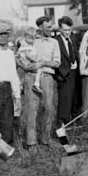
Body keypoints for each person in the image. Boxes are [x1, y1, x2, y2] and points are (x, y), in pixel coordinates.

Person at [26, 16, 61, 148]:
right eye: (47, 27)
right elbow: (21, 58)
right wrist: (31, 66)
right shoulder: (31, 41)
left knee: (49, 109)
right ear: (40, 27)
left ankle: (46, 139)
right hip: (31, 77)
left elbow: (57, 63)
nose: (50, 29)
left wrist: (44, 62)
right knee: (32, 109)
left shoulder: (54, 42)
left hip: (47, 77)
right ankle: (31, 143)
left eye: (51, 26)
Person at [0, 22, 21, 144]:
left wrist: (17, 96)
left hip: (7, 88)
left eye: (5, 34)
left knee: (8, 118)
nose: (3, 37)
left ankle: (7, 147)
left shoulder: (10, 53)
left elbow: (13, 75)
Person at [55, 16, 79, 126]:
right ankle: (62, 129)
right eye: (65, 30)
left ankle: (72, 127)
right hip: (63, 76)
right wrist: (68, 69)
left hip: (74, 76)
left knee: (74, 103)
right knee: (64, 104)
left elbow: (76, 53)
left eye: (69, 30)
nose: (67, 32)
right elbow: (55, 59)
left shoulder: (73, 38)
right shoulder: (56, 41)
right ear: (60, 29)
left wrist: (77, 63)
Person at [16, 27, 43, 95]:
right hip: (26, 63)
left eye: (32, 39)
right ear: (25, 37)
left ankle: (21, 86)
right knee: (39, 69)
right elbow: (28, 55)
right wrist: (36, 60)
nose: (30, 40)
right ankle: (36, 84)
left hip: (24, 63)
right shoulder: (25, 45)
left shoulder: (25, 44)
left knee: (22, 75)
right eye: (28, 38)